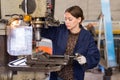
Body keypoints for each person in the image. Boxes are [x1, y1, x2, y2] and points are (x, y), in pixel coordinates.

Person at [41, 5, 100, 80]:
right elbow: (43, 32)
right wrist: (40, 18)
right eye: (65, 19)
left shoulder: (86, 36)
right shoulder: (60, 30)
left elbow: (95, 56)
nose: (67, 22)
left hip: (75, 77)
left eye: (70, 19)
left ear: (79, 19)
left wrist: (86, 60)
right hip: (56, 76)